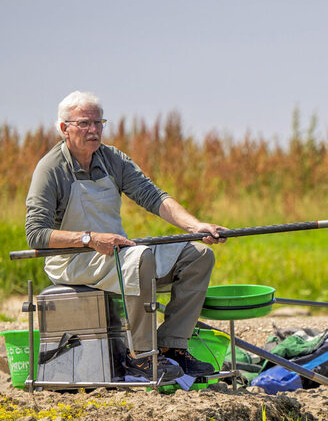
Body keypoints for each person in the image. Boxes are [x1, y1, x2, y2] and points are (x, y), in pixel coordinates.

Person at [25, 91, 225, 381]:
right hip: (74, 260)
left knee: (198, 255)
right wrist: (89, 239)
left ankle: (171, 347)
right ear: (63, 128)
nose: (93, 130)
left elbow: (152, 196)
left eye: (98, 122)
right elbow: (36, 234)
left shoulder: (111, 159)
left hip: (118, 254)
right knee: (139, 256)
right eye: (84, 123)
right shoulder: (50, 169)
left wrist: (195, 226)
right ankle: (141, 356)